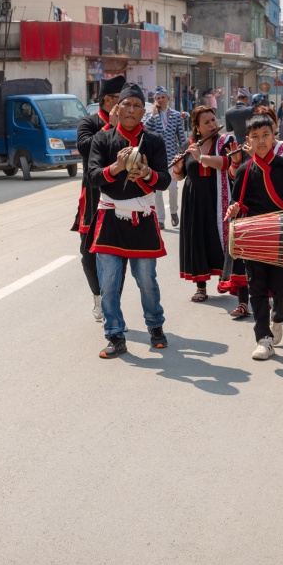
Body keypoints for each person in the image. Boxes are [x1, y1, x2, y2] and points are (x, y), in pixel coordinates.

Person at [88, 82, 172, 358]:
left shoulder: (154, 141)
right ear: (117, 107)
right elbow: (93, 176)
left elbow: (165, 179)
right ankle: (114, 334)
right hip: (111, 217)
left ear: (142, 111)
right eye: (127, 104)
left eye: (138, 105)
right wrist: (117, 167)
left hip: (143, 217)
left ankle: (155, 326)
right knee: (109, 282)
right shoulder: (103, 139)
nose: (132, 109)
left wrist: (146, 173)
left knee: (147, 279)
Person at [225, 113, 283, 360]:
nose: (261, 141)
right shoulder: (244, 170)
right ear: (248, 140)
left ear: (274, 137)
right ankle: (263, 338)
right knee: (256, 288)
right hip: (255, 238)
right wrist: (234, 208)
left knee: (281, 289)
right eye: (255, 137)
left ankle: (279, 318)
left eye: (266, 135)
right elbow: (237, 201)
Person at [74, 75, 124, 323]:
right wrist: (109, 127)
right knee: (88, 252)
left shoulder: (128, 125)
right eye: (120, 100)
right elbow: (84, 148)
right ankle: (98, 297)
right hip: (94, 196)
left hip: (121, 196)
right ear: (108, 100)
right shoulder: (90, 122)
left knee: (118, 252)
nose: (126, 105)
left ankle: (113, 305)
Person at [171, 106, 229, 300]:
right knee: (197, 239)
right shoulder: (190, 145)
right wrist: (178, 167)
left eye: (213, 120)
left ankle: (226, 277)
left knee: (219, 235)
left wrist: (200, 157)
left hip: (217, 197)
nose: (213, 125)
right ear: (197, 128)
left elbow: (224, 163)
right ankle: (201, 286)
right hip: (194, 198)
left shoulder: (224, 142)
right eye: (207, 122)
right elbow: (179, 177)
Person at [144, 86, 187, 229]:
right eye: (158, 98)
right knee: (157, 192)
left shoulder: (176, 116)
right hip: (155, 160)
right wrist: (154, 115)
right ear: (154, 101)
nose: (160, 100)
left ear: (168, 98)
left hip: (172, 158)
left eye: (163, 97)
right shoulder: (150, 116)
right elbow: (144, 130)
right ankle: (161, 219)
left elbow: (182, 137)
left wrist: (184, 153)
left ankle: (174, 211)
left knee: (173, 187)